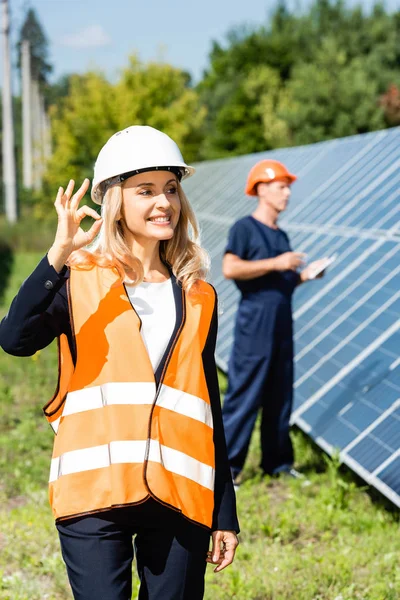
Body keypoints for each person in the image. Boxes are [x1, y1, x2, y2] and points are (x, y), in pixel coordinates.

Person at [0, 125, 239, 600]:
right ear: (116, 201)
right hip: (94, 493)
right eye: (145, 190)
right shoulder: (78, 279)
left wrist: (224, 513)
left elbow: (208, 402)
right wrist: (59, 254)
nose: (163, 202)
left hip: (180, 493)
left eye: (171, 189)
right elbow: (14, 339)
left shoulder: (199, 294)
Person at [221, 159, 327, 487]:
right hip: (255, 326)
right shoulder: (244, 228)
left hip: (282, 326)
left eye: (288, 187)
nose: (287, 193)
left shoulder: (281, 235)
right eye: (281, 187)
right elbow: (230, 268)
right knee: (245, 394)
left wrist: (304, 277)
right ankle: (228, 469)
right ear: (262, 190)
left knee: (280, 395)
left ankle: (277, 463)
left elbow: (282, 282)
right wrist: (277, 263)